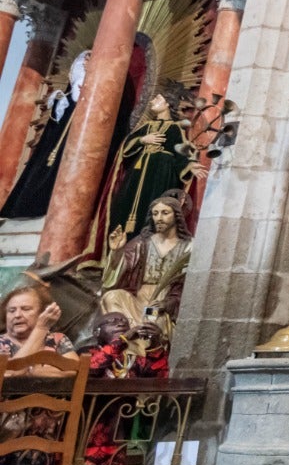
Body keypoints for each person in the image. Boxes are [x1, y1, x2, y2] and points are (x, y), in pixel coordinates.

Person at [97, 85, 197, 250]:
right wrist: (143, 140)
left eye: (158, 99)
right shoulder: (146, 127)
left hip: (160, 176)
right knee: (123, 207)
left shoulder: (175, 128)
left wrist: (190, 166)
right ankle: (114, 254)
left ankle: (141, 253)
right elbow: (125, 148)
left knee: (151, 211)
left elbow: (181, 154)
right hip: (136, 175)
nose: (152, 101)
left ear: (168, 104)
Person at [1, 51, 87, 219]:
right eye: (84, 60)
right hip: (56, 142)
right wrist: (60, 103)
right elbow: (56, 120)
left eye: (90, 59)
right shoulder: (64, 97)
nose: (86, 63)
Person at [100, 192, 192, 335]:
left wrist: (168, 303)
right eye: (155, 214)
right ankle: (124, 338)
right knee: (112, 296)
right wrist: (117, 252)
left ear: (177, 216)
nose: (159, 218)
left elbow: (190, 286)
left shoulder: (189, 247)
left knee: (152, 318)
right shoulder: (141, 243)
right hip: (138, 297)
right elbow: (117, 275)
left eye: (165, 213)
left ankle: (143, 347)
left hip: (164, 301)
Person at [1, 284, 77, 374]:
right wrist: (41, 328)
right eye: (12, 310)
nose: (17, 315)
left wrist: (31, 370)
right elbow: (8, 373)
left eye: (26, 309)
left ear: (42, 313)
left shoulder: (58, 340)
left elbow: (75, 370)